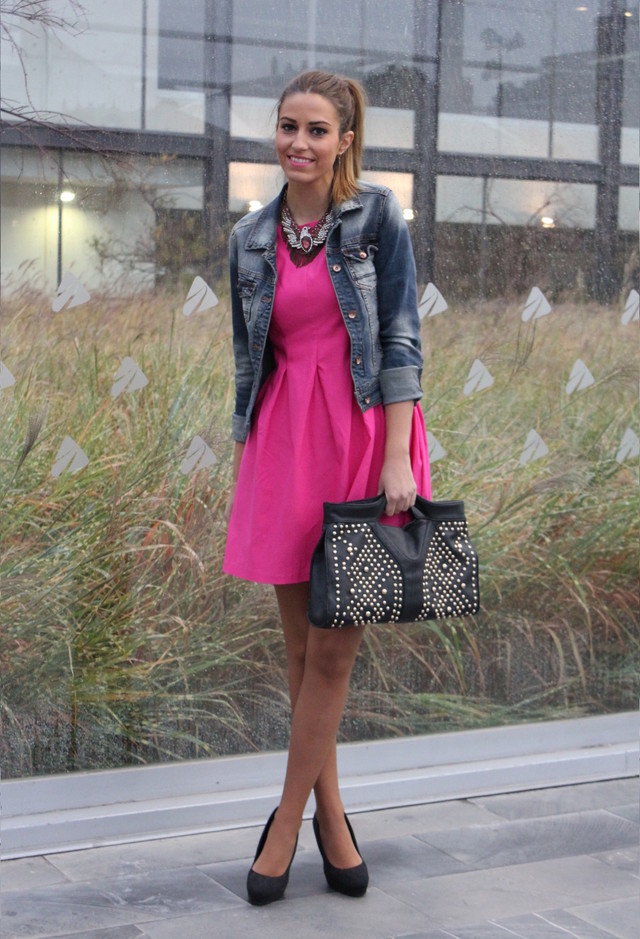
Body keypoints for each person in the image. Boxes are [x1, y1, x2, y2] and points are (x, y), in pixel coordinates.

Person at [223, 69, 431, 905]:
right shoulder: (249, 236)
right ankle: (332, 812)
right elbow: (252, 357)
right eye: (287, 126)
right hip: (283, 440)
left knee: (337, 644)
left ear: (346, 139)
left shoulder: (377, 217)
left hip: (361, 432)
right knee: (303, 648)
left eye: (316, 129)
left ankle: (285, 819)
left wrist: (397, 454)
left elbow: (402, 337)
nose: (298, 142)